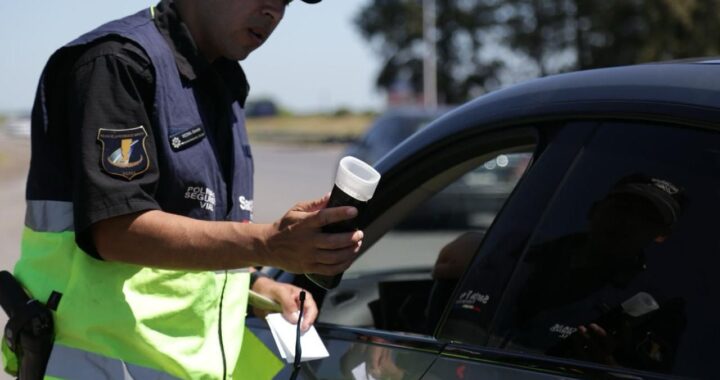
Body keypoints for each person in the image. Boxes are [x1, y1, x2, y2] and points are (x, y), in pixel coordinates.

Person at [4, 0, 364, 378]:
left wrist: (255, 286)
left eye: (286, 2)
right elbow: (116, 230)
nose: (273, 11)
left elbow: (196, 237)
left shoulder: (222, 85)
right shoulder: (117, 62)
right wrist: (269, 243)